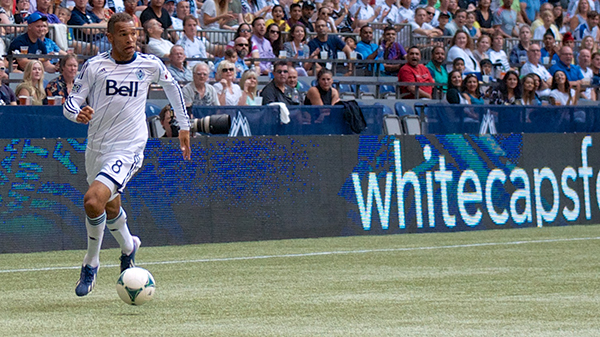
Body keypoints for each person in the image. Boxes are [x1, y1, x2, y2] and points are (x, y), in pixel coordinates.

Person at [64, 13, 190, 297]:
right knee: (108, 206)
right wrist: (77, 114)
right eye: (123, 34)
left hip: (129, 146)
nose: (131, 38)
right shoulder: (95, 67)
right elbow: (72, 100)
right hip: (97, 146)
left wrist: (184, 126)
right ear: (109, 37)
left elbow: (173, 87)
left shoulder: (149, 64)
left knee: (92, 200)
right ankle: (129, 246)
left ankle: (91, 262)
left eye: (133, 33)